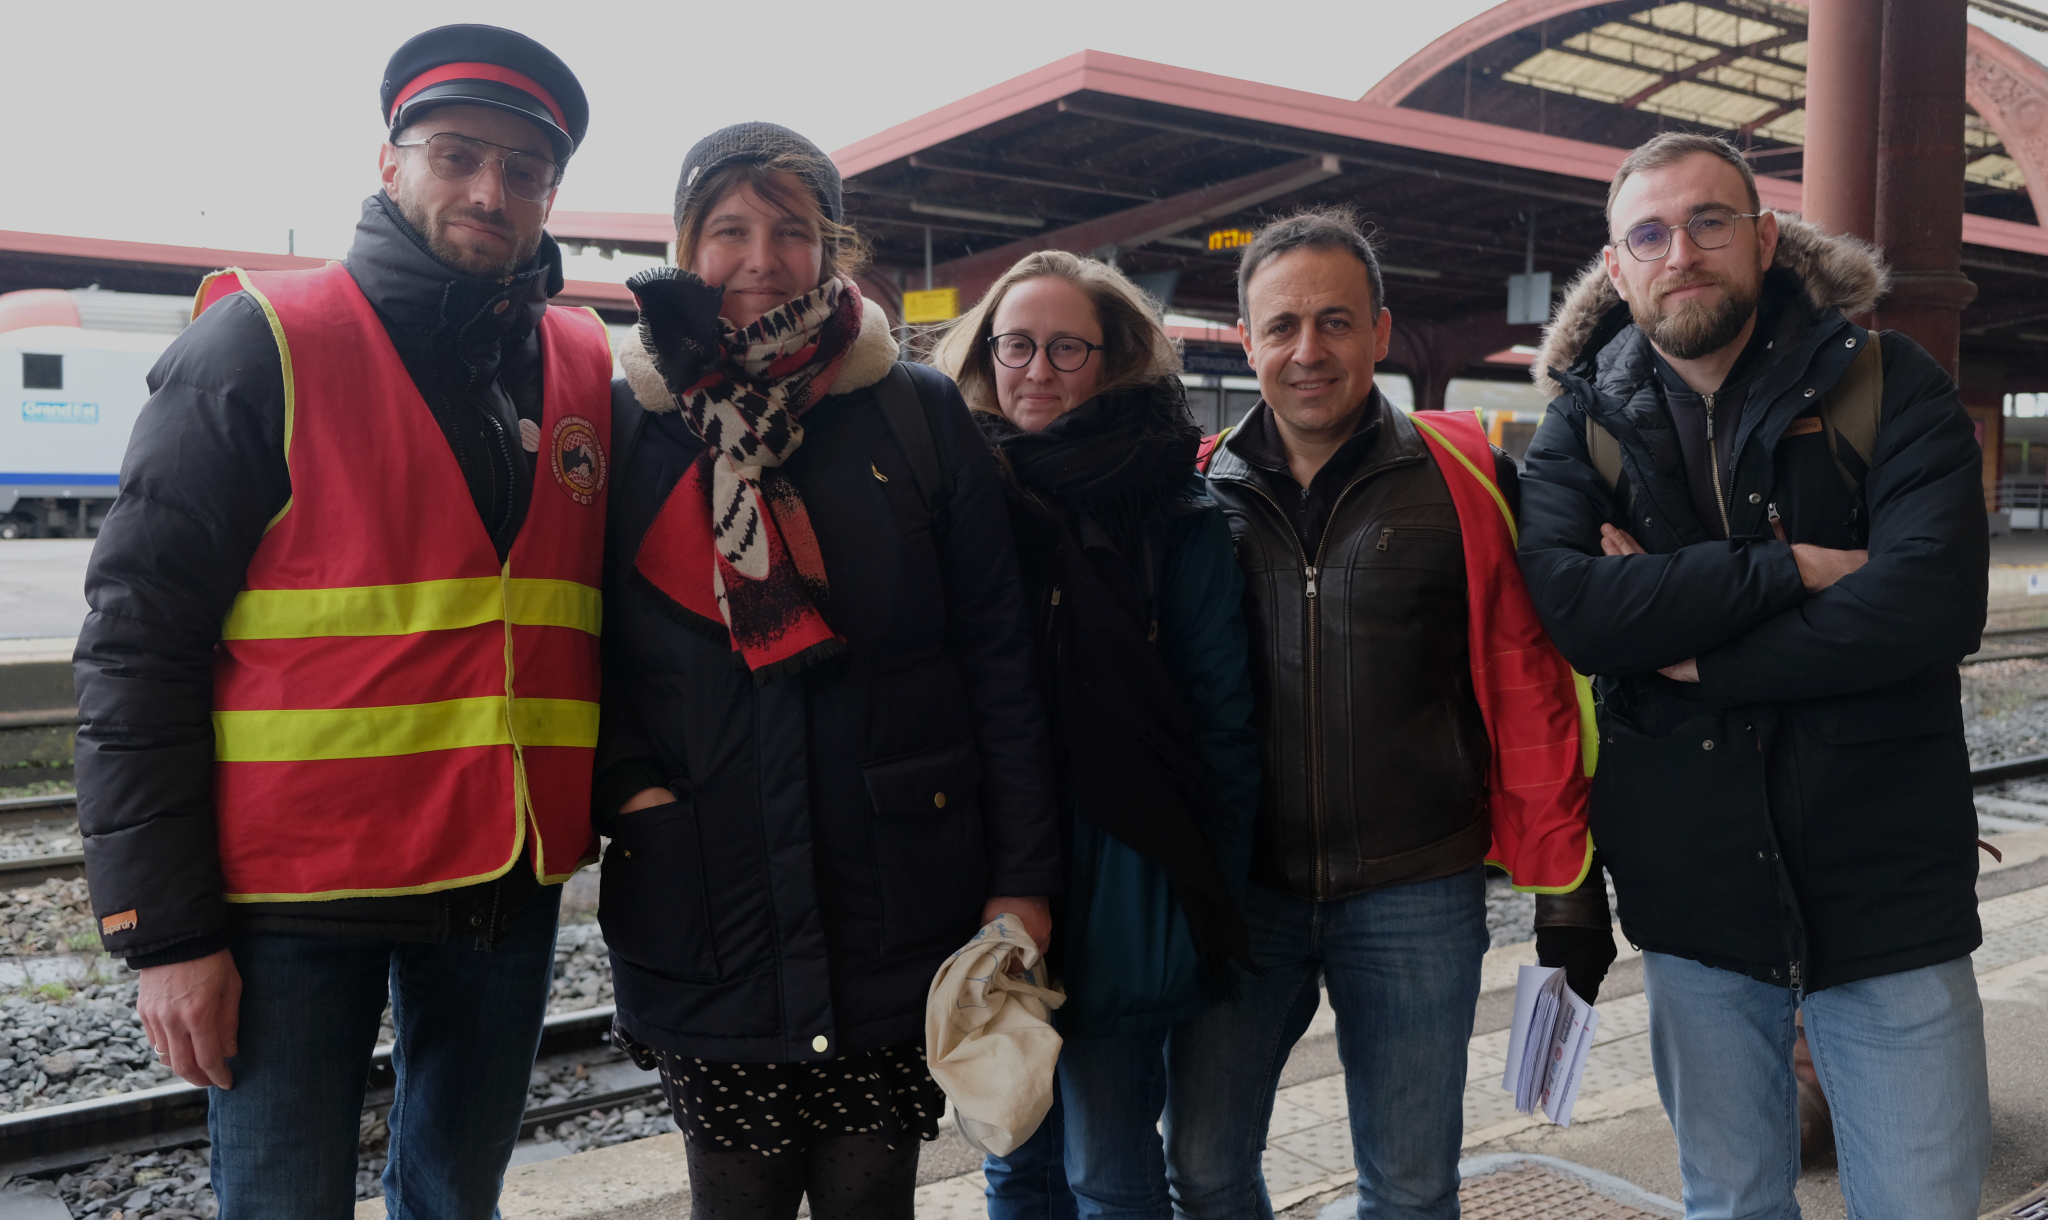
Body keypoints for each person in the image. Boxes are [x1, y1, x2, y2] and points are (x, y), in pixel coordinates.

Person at [71, 26, 609, 1218]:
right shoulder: (258, 342)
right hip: (291, 897)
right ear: (389, 160)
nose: (490, 190)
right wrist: (163, 934)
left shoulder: (579, 364)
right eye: (458, 154)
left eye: (525, 171)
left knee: (456, 1199)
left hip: (500, 878)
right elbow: (134, 647)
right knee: (282, 1202)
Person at [1516, 131, 1991, 1219]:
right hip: (1695, 906)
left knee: (1920, 1205)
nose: (1678, 250)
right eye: (1648, 233)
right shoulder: (1580, 427)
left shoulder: (1887, 383)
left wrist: (1685, 645)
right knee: (1728, 1204)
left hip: (1886, 899)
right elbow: (1580, 615)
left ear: (1764, 239)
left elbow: (1927, 606)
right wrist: (1793, 568)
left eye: (1707, 222)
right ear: (1617, 263)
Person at [595, 123, 1061, 1221]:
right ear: (681, 245)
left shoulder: (911, 405)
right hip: (708, 890)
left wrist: (1022, 878)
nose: (761, 256)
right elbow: (581, 639)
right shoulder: (626, 420)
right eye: (729, 229)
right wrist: (628, 788)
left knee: (873, 1205)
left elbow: (995, 651)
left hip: (896, 890)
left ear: (832, 249)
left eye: (792, 231)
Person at [1169, 207, 1611, 1219]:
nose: (1306, 350)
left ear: (1378, 330)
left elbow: (1536, 680)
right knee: (1198, 1168)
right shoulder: (1192, 495)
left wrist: (1569, 890)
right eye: (1279, 326)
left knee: (1409, 1191)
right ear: (1245, 341)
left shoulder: (1467, 479)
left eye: (1333, 321)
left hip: (1416, 891)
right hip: (1241, 895)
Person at [925, 251, 1260, 1218]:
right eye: (1016, 344)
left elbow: (1222, 719)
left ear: (1113, 360)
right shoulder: (950, 495)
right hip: (987, 866)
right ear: (986, 355)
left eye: (1067, 347)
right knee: (1013, 1156)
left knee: (1109, 1165)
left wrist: (1205, 889)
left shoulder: (1177, 514)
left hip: (1128, 875)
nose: (1037, 368)